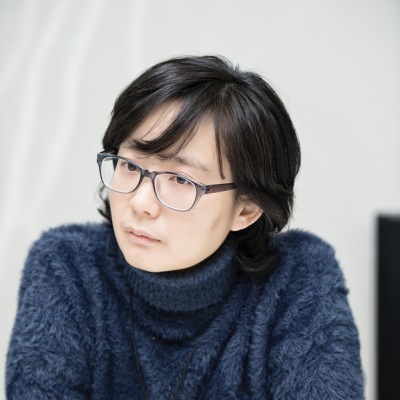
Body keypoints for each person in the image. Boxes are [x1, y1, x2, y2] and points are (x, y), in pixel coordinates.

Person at [6, 55, 364, 399]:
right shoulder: (67, 267)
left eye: (180, 179)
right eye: (130, 166)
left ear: (247, 208)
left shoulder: (299, 279)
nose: (141, 203)